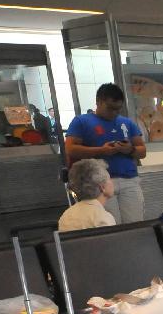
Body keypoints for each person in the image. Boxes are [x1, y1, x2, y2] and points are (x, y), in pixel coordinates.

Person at [65, 83, 147, 225]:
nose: (114, 113)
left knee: (135, 224)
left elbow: (142, 151)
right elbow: (70, 149)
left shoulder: (127, 123)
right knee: (109, 224)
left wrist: (130, 149)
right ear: (98, 102)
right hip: (99, 183)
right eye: (110, 108)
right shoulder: (82, 121)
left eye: (118, 109)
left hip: (129, 180)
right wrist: (101, 151)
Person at [57, 159, 116, 232]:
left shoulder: (65, 216)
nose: (112, 181)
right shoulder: (103, 218)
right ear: (102, 187)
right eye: (109, 179)